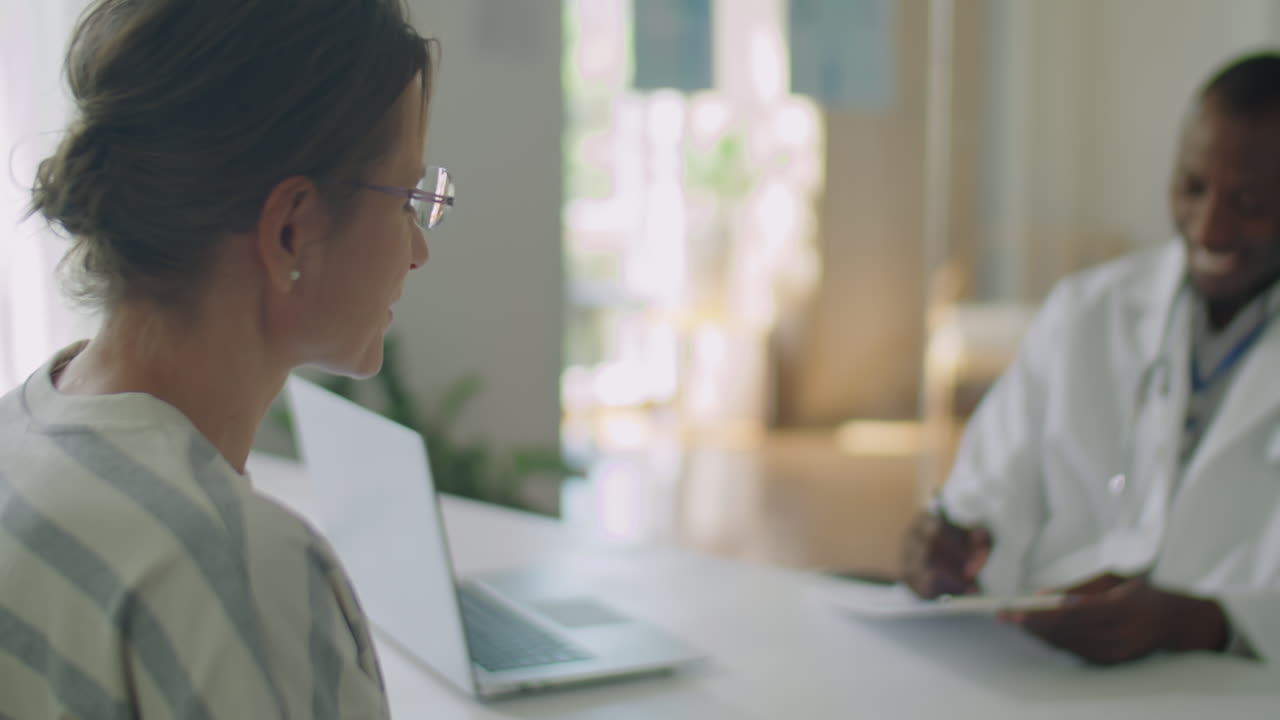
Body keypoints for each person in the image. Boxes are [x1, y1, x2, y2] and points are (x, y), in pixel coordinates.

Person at [0, 0, 448, 716]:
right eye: (405, 200)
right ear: (291, 232)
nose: (419, 250)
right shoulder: (233, 568)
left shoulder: (16, 438)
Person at [902, 51, 1280, 666]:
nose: (1210, 229)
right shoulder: (1086, 312)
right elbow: (985, 494)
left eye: (1250, 203)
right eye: (1191, 187)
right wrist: (947, 544)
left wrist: (1204, 621)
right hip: (1044, 671)